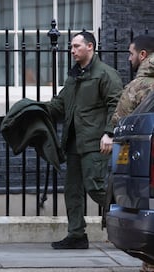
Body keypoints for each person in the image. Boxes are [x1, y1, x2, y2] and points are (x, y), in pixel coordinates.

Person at [45, 31, 123, 249]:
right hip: (73, 143)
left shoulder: (106, 74)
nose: (72, 50)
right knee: (72, 190)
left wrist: (110, 133)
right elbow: (60, 104)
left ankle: (126, 215)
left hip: (95, 141)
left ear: (90, 47)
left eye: (77, 46)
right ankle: (77, 235)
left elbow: (116, 105)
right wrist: (36, 110)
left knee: (95, 186)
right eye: (71, 47)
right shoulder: (74, 76)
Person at [110, 34, 154, 272]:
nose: (129, 58)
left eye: (130, 53)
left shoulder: (138, 85)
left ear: (143, 55)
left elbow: (120, 120)